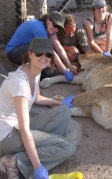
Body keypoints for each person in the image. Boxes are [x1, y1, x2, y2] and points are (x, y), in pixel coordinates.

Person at [0, 37, 77, 178]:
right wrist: (37, 166)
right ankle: (14, 161)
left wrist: (61, 103)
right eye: (39, 53)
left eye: (48, 54)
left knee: (64, 112)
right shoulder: (20, 83)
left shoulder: (34, 71)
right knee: (67, 146)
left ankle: (42, 149)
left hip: (16, 126)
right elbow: (24, 129)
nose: (44, 57)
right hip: (6, 136)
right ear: (30, 53)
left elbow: (36, 98)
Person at [5, 11, 77, 82]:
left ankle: (32, 69)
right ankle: (28, 71)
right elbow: (51, 51)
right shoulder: (39, 28)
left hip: (24, 51)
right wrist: (65, 71)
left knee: (47, 66)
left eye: (58, 27)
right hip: (13, 53)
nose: (56, 29)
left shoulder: (49, 28)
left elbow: (58, 46)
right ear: (48, 20)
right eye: (55, 25)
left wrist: (69, 65)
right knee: (47, 71)